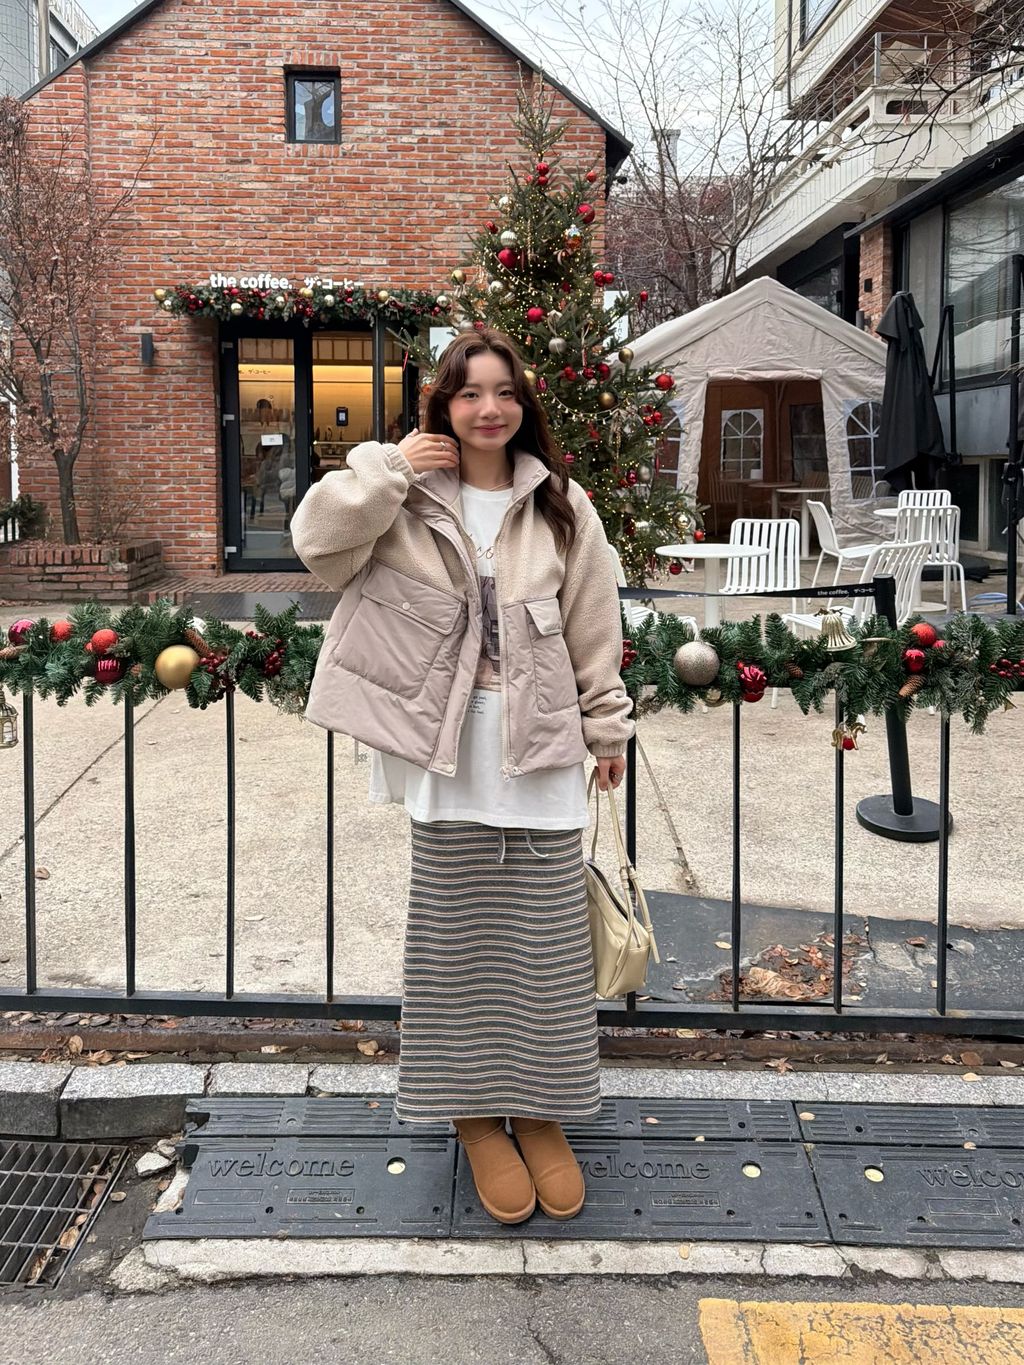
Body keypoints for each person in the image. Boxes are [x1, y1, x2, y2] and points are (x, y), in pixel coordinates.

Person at [290, 328, 633, 1227]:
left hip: (540, 745)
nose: (491, 408)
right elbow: (316, 544)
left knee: (546, 947)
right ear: (443, 404)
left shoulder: (563, 505)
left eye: (506, 391)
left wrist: (608, 727)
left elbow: (593, 626)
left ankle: (542, 1107)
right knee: (457, 944)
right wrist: (390, 467)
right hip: (443, 749)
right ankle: (474, 1113)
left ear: (525, 403)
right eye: (471, 392)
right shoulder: (404, 496)